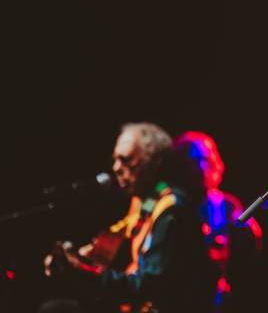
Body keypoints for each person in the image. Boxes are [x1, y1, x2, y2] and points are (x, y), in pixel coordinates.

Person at [41, 123, 217, 313]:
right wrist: (82, 257)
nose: (116, 168)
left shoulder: (171, 212)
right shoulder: (148, 199)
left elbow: (148, 287)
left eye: (126, 160)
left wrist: (85, 274)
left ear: (154, 162)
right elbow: (122, 232)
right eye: (114, 160)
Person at [172, 131, 263, 313]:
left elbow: (248, 255)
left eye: (205, 159)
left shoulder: (224, 205)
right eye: (193, 162)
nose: (201, 167)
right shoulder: (173, 202)